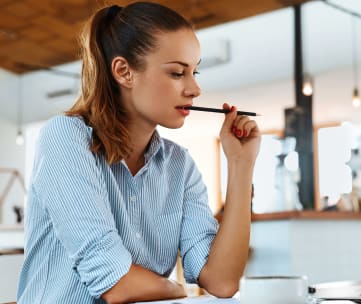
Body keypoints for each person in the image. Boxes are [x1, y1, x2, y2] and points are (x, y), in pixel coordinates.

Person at [17, 2, 260, 304]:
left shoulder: (179, 166)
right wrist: (175, 288)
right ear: (124, 72)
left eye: (194, 72)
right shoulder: (65, 137)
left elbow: (222, 282)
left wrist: (240, 164)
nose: (195, 88)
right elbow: (116, 284)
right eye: (176, 73)